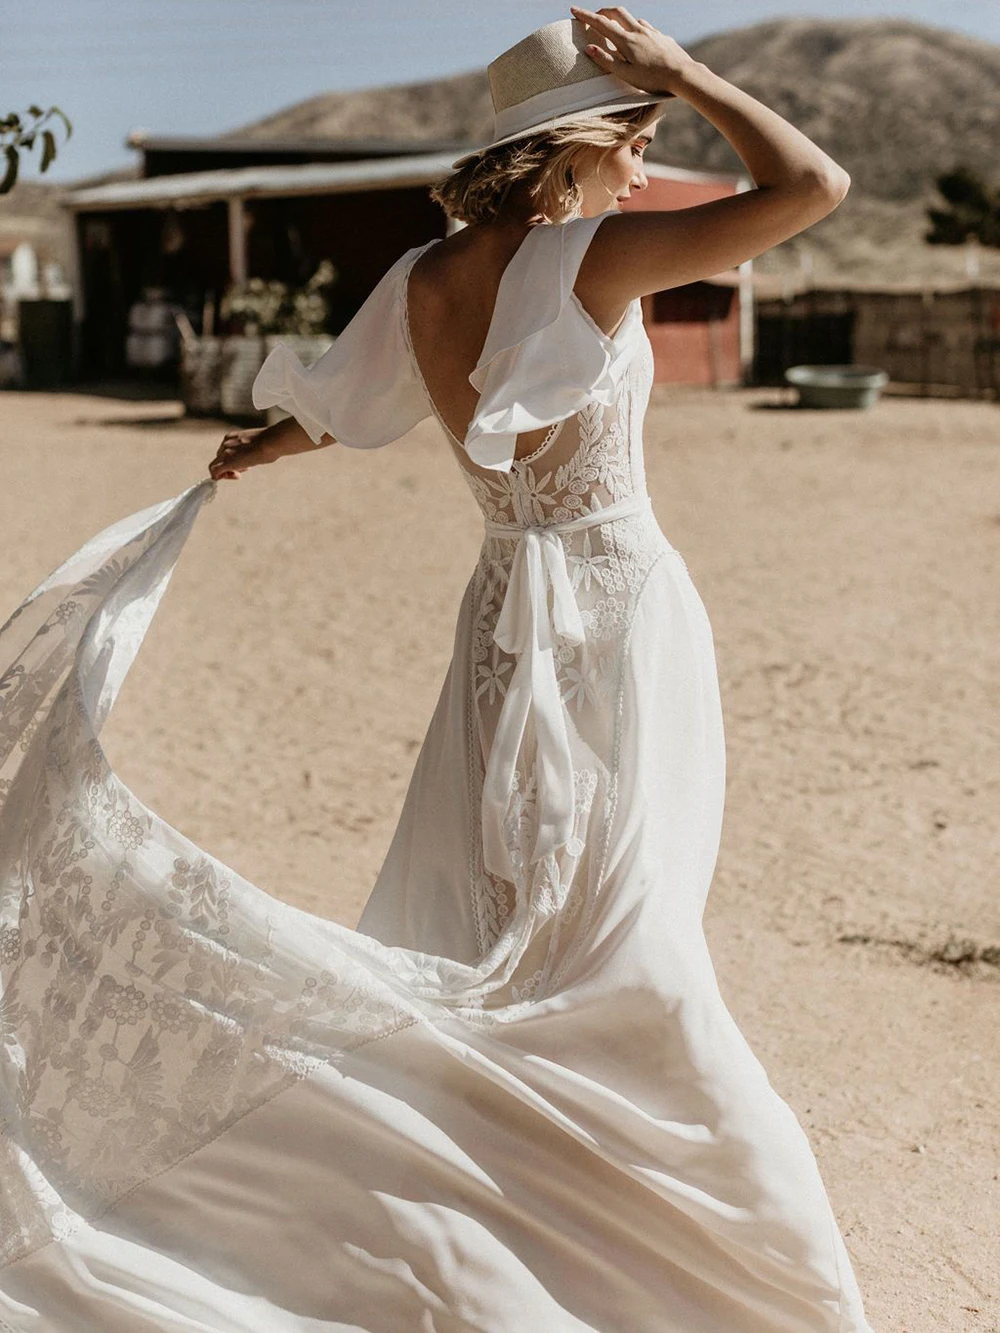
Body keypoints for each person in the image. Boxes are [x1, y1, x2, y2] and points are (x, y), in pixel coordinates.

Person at [0, 9, 875, 1331]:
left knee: (504, 925)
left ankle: (498, 1197)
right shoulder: (593, 257)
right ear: (576, 147)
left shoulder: (424, 275)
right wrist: (688, 74)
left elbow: (347, 405)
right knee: (619, 936)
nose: (644, 167)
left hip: (498, 627)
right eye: (634, 140)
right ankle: (731, 1263)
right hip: (610, 620)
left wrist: (261, 447)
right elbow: (816, 188)